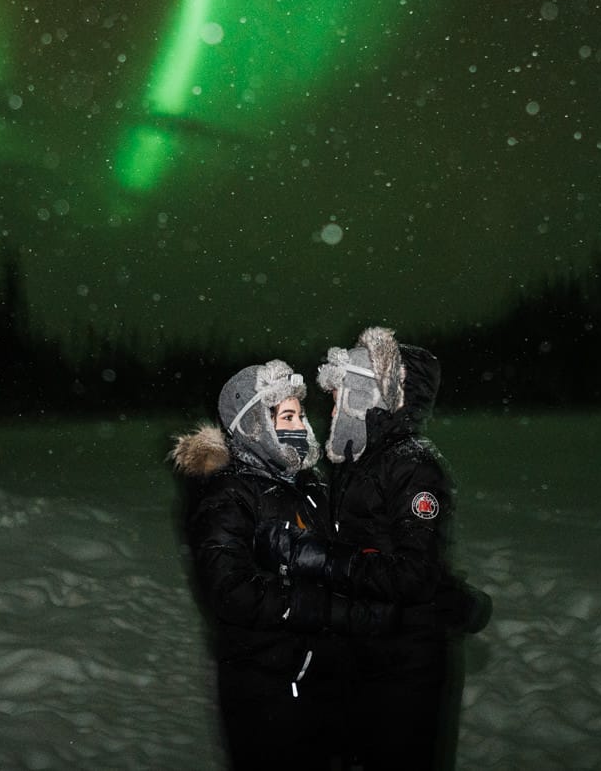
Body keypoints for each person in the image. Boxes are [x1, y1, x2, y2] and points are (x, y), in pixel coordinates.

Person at [258, 327, 489, 771]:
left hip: (406, 665)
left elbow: (412, 574)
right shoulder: (358, 461)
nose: (333, 405)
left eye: (343, 392)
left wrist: (319, 557)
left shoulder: (412, 466)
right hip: (364, 653)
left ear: (373, 396)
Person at [172, 359, 397, 770]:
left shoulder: (306, 484)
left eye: (300, 414)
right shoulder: (228, 496)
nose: (301, 425)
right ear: (255, 425)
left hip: (320, 682)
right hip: (268, 689)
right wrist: (321, 607)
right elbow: (230, 590)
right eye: (287, 415)